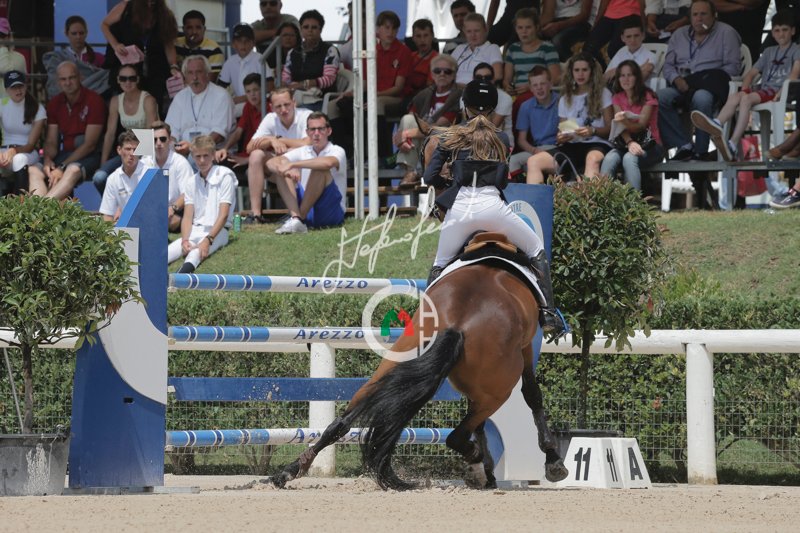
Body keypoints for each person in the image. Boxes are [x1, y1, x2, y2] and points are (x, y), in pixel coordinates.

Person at [423, 79, 564, 336]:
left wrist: (452, 181)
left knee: (439, 264)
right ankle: (549, 314)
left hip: (460, 211)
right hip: (493, 209)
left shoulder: (449, 136)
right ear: (492, 108)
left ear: (464, 106)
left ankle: (424, 323)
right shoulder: (501, 137)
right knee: (536, 249)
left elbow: (429, 176)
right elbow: (502, 182)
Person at [691, 10, 800, 161]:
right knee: (737, 96)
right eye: (777, 30)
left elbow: (794, 74)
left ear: (792, 31)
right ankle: (717, 123)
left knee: (746, 99)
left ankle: (733, 143)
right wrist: (745, 89)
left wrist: (781, 92)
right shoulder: (769, 51)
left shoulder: (796, 50)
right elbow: (750, 74)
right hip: (764, 90)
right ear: (772, 33)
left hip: (779, 91)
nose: (781, 34)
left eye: (785, 30)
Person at [657, 0, 741, 161]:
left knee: (701, 97)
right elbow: (668, 66)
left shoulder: (727, 33)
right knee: (659, 98)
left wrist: (705, 79)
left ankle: (701, 151)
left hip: (709, 87)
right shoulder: (679, 35)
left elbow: (733, 68)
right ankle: (684, 145)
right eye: (695, 14)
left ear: (714, 16)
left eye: (704, 14)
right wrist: (676, 79)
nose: (699, 18)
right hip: (682, 85)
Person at [526, 52, 613, 183]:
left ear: (592, 72)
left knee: (592, 159)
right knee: (533, 161)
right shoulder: (565, 98)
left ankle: (587, 196)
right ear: (571, 72)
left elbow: (611, 129)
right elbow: (562, 131)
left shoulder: (603, 93)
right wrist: (561, 137)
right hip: (572, 145)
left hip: (598, 143)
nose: (580, 74)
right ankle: (535, 197)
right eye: (576, 70)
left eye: (584, 70)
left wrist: (593, 130)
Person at [35, 61, 106, 200]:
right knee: (35, 169)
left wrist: (61, 167)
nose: (68, 83)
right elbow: (51, 141)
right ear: (58, 82)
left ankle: (42, 207)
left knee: (71, 170)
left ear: (80, 77)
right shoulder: (55, 103)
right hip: (65, 154)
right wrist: (48, 160)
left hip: (90, 156)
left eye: (71, 78)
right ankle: (36, 209)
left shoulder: (94, 100)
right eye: (63, 79)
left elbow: (90, 144)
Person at [267, 112, 347, 234]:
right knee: (281, 169)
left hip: (331, 211)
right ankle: (296, 219)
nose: (316, 133)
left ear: (329, 131)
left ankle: (300, 219)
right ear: (307, 132)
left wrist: (293, 165)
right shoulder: (303, 150)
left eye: (321, 129)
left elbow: (327, 163)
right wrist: (286, 168)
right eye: (312, 129)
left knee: (320, 169)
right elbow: (270, 162)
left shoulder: (337, 150)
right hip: (307, 205)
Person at [167, 135, 236, 273]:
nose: (202, 160)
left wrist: (208, 239)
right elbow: (187, 217)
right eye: (198, 156)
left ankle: (179, 280)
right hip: (196, 229)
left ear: (213, 155)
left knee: (195, 254)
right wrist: (185, 240)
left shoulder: (225, 176)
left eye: (206, 155)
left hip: (219, 231)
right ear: (192, 156)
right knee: (167, 252)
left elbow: (223, 215)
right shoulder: (191, 181)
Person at [393, 54, 462, 187]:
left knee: (428, 133)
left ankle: (414, 172)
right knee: (407, 119)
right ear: (432, 74)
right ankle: (411, 171)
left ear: (454, 74)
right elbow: (411, 119)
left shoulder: (458, 96)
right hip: (422, 142)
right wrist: (402, 137)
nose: (442, 74)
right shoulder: (424, 94)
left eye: (447, 71)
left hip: (445, 143)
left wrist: (404, 134)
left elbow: (439, 127)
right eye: (437, 71)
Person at [245, 87, 312, 223]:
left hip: (304, 167)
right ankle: (256, 215)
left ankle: (294, 215)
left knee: (282, 163)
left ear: (294, 102)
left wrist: (279, 140)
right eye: (278, 106)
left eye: (287, 104)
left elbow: (308, 143)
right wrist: (271, 140)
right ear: (272, 107)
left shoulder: (306, 115)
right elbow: (249, 148)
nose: (283, 110)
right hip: (281, 166)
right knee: (256, 155)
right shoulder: (271, 118)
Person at [101, 0, 179, 112]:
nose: (150, 4)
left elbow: (169, 45)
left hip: (155, 71)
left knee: (153, 106)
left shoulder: (165, 15)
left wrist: (173, 65)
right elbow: (104, 25)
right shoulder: (125, 8)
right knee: (127, 106)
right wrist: (115, 45)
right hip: (128, 70)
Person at [93, 63, 159, 194]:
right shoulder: (115, 101)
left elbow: (151, 135)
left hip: (148, 154)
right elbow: (110, 134)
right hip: (127, 151)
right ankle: (115, 204)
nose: (127, 82)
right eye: (123, 78)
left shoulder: (148, 100)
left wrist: (135, 162)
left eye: (132, 78)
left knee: (136, 180)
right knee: (99, 178)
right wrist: (103, 163)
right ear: (118, 80)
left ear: (138, 79)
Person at [600, 60, 665, 190]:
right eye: (622, 76)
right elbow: (619, 127)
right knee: (609, 158)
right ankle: (602, 199)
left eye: (630, 75)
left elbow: (641, 125)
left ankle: (633, 201)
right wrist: (629, 142)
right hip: (626, 143)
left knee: (629, 159)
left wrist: (623, 121)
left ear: (637, 77)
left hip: (651, 145)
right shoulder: (617, 97)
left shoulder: (648, 95)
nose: (626, 79)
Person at [165, 55, 235, 157]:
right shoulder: (180, 97)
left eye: (199, 72)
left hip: (213, 152)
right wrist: (175, 146)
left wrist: (192, 148)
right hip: (183, 152)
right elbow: (171, 131)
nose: (195, 77)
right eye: (190, 73)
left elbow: (218, 135)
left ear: (207, 74)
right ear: (185, 76)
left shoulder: (221, 95)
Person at [141, 121, 195, 232]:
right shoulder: (145, 162)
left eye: (162, 139)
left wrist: (172, 208)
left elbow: (187, 194)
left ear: (170, 140)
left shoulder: (180, 163)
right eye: (154, 140)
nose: (158, 143)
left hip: (176, 210)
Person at [281, 10, 340, 111]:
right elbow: (285, 79)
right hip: (296, 98)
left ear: (320, 30)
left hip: (320, 100)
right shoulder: (293, 52)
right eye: (306, 27)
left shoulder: (330, 50)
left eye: (314, 27)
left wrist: (303, 84)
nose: (310, 30)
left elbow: (329, 79)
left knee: (297, 113)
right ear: (300, 29)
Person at [0, 70, 47, 196]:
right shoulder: (2, 104)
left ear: (26, 86)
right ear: (6, 90)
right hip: (4, 150)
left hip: (27, 152)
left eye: (20, 86)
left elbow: (31, 145)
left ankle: (19, 203)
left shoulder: (38, 108)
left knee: (19, 159)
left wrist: (14, 151)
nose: (18, 90)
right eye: (13, 87)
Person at [510, 66, 560, 177]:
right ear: (531, 88)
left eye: (543, 84)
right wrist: (534, 150)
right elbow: (521, 140)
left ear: (550, 84)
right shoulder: (526, 106)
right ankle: (521, 186)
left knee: (532, 164)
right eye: (535, 85)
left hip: (558, 148)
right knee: (512, 161)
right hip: (537, 149)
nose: (539, 88)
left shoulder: (561, 101)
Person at [503, 8, 562, 96]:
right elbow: (507, 79)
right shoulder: (512, 49)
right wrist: (507, 86)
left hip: (539, 93)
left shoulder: (547, 48)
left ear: (537, 27)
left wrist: (532, 86)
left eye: (528, 27)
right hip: (517, 94)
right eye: (520, 27)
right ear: (515, 29)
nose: (524, 31)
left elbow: (556, 78)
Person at [219, 23, 272, 117]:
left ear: (253, 43)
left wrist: (243, 98)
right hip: (239, 103)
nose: (243, 44)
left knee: (229, 113)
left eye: (247, 41)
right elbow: (220, 87)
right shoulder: (230, 62)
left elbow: (270, 86)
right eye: (239, 41)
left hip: (258, 102)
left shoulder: (259, 59)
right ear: (233, 44)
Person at [99, 130, 146, 222]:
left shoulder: (149, 173)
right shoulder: (112, 179)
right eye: (128, 149)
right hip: (124, 227)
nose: (132, 153)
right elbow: (107, 215)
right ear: (119, 150)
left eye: (135, 149)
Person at [583, 0, 646, 67]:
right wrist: (597, 22)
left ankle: (625, 71)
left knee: (614, 50)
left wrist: (644, 24)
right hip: (610, 13)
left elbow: (642, 2)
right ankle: (604, 70)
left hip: (631, 12)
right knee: (589, 48)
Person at [451, 13, 503, 85]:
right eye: (469, 31)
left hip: (477, 88)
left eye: (476, 31)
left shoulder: (492, 48)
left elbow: (498, 75)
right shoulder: (459, 48)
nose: (473, 35)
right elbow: (446, 69)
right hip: (454, 88)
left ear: (486, 29)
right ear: (464, 31)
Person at [604, 15, 656, 84]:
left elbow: (637, 81)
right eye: (628, 36)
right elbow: (605, 77)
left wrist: (617, 71)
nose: (633, 40)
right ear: (622, 38)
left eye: (636, 36)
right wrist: (640, 68)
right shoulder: (621, 52)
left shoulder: (651, 56)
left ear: (643, 35)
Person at [175, 10, 224, 81]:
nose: (194, 32)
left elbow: (209, 81)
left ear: (204, 29)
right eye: (189, 28)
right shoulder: (175, 44)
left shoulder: (214, 50)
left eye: (198, 27)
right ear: (183, 29)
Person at [402, 19, 439, 103]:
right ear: (413, 38)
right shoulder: (408, 57)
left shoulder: (437, 59)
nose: (422, 40)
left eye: (426, 35)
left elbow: (429, 87)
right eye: (418, 36)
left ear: (432, 36)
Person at [0, 18, 27, 100]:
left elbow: (6, 69)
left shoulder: (19, 58)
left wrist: (2, 48)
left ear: (9, 37)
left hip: (11, 104)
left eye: (2, 36)